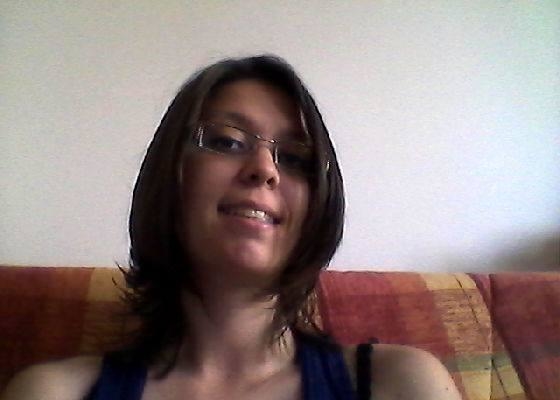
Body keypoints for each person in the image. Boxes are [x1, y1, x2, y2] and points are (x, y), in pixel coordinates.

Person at [1, 55, 461, 400]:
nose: (265, 169)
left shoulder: (402, 384)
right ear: (171, 175)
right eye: (226, 141)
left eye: (294, 157)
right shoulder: (53, 392)